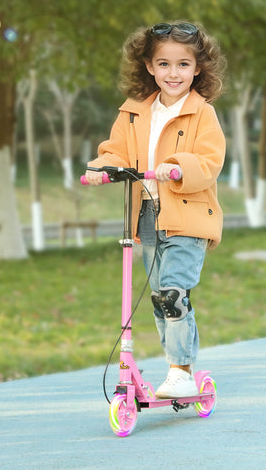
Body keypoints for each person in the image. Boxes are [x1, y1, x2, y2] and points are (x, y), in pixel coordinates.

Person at [84, 21, 226, 399]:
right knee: (158, 298)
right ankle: (175, 364)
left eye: (183, 64)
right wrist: (101, 168)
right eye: (164, 64)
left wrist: (178, 166)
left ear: (197, 68)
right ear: (149, 66)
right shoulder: (133, 112)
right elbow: (114, 150)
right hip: (146, 214)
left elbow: (210, 160)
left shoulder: (202, 114)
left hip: (188, 216)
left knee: (173, 293)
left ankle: (181, 370)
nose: (173, 73)